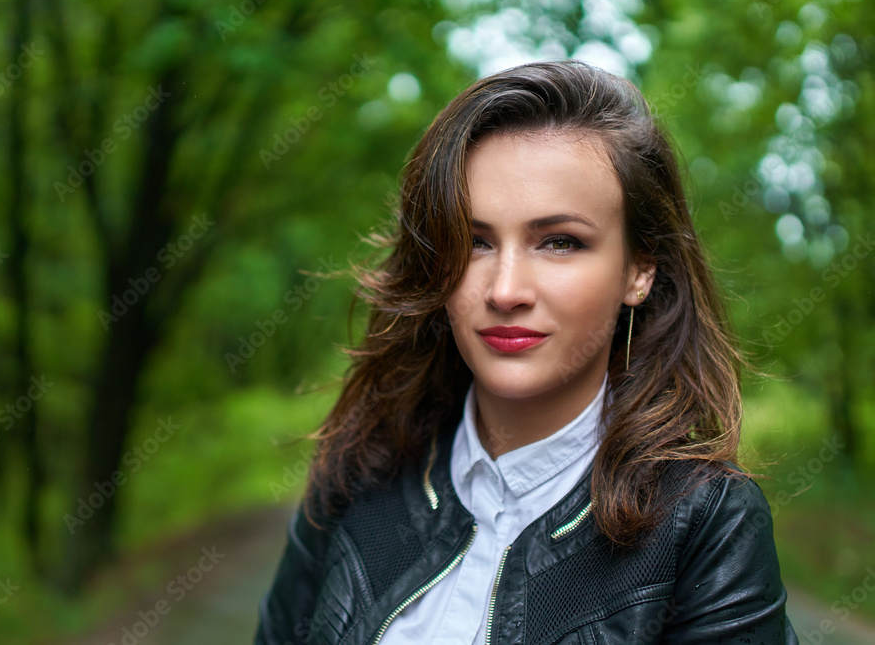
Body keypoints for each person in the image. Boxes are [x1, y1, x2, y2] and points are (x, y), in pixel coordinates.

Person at [254, 60, 798, 644]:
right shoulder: (360, 470)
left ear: (639, 270)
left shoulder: (706, 522)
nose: (506, 290)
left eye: (560, 242)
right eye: (474, 242)